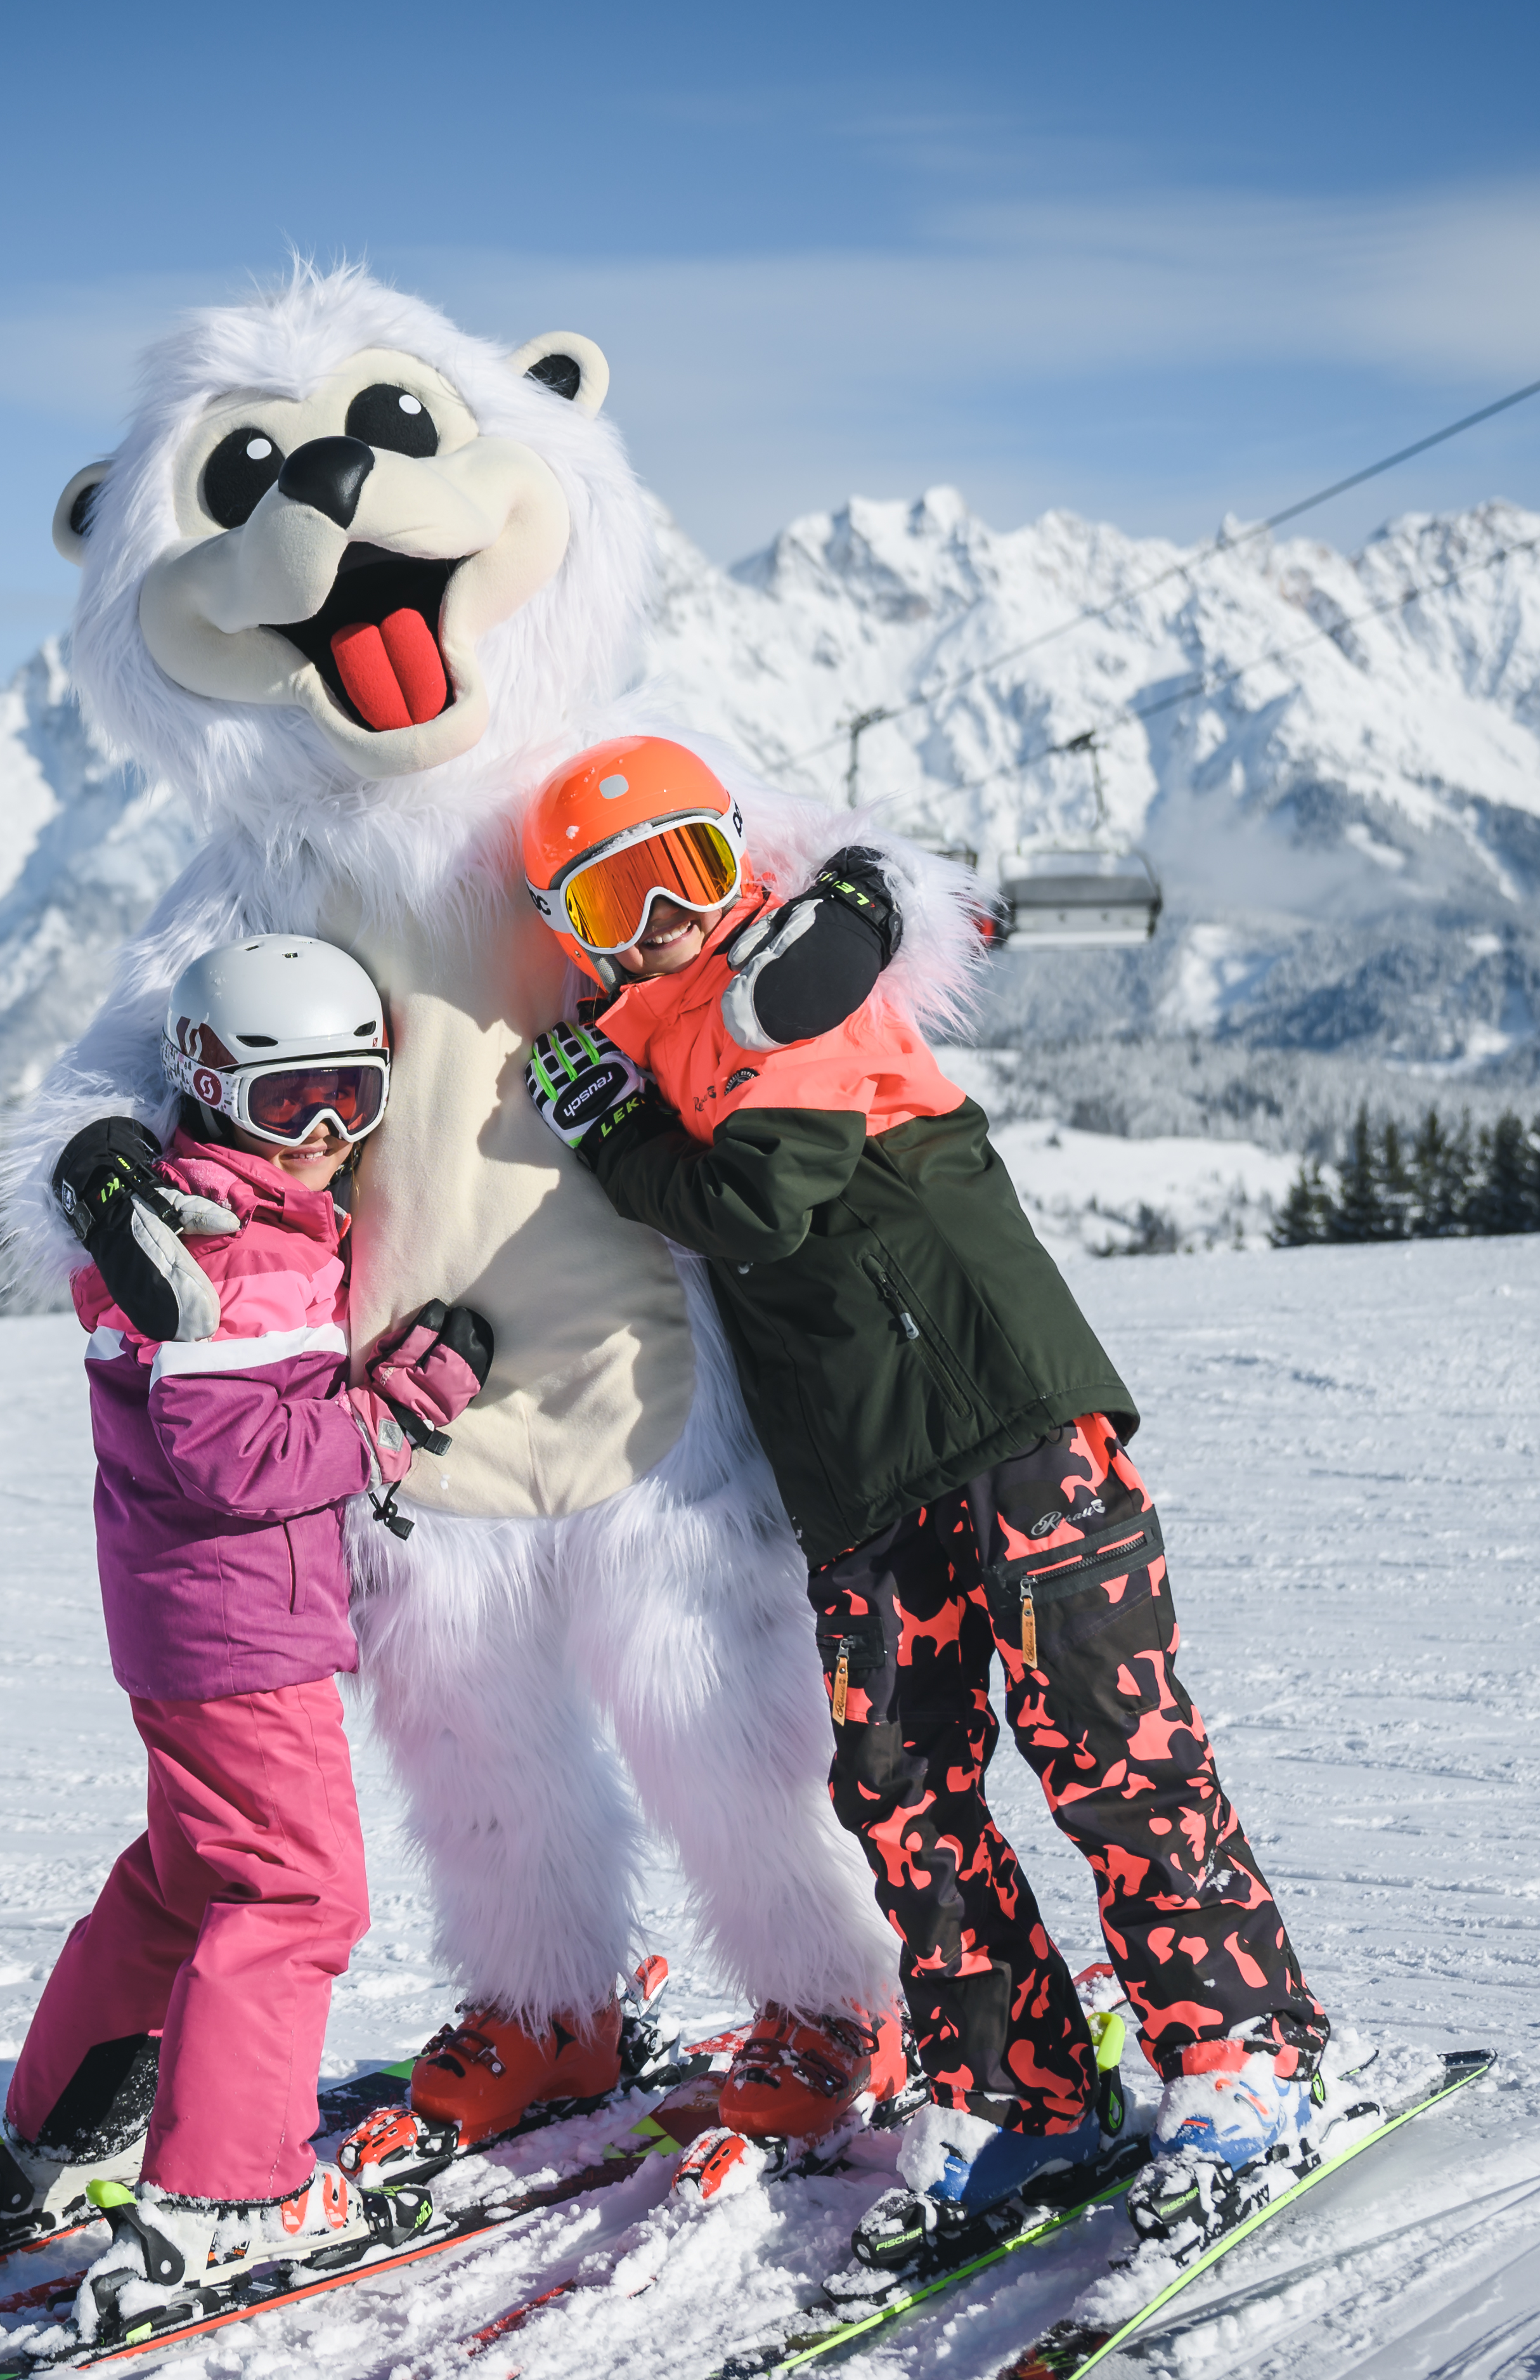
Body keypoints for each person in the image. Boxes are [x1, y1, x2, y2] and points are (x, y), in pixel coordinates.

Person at [509, 736, 1333, 2266]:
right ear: (576, 931)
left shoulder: (786, 981)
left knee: (1109, 1740)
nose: (663, 919)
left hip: (1006, 1417)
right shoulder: (647, 1032)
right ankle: (1024, 2090)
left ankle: (1244, 2054)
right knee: (900, 1788)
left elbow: (760, 1201)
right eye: (617, 901)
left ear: (734, 859)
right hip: (860, 1481)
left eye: (683, 871)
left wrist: (616, 1132)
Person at [0, 933, 497, 2334]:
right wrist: (402, 1408)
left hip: (181, 1617)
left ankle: (62, 2137)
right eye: (289, 1102)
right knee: (294, 1890)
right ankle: (227, 2193)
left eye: (353, 1097)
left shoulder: (184, 1216)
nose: (324, 1135)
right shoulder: (236, 1255)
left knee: (185, 1880)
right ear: (208, 1085)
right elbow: (239, 1459)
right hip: (243, 1627)